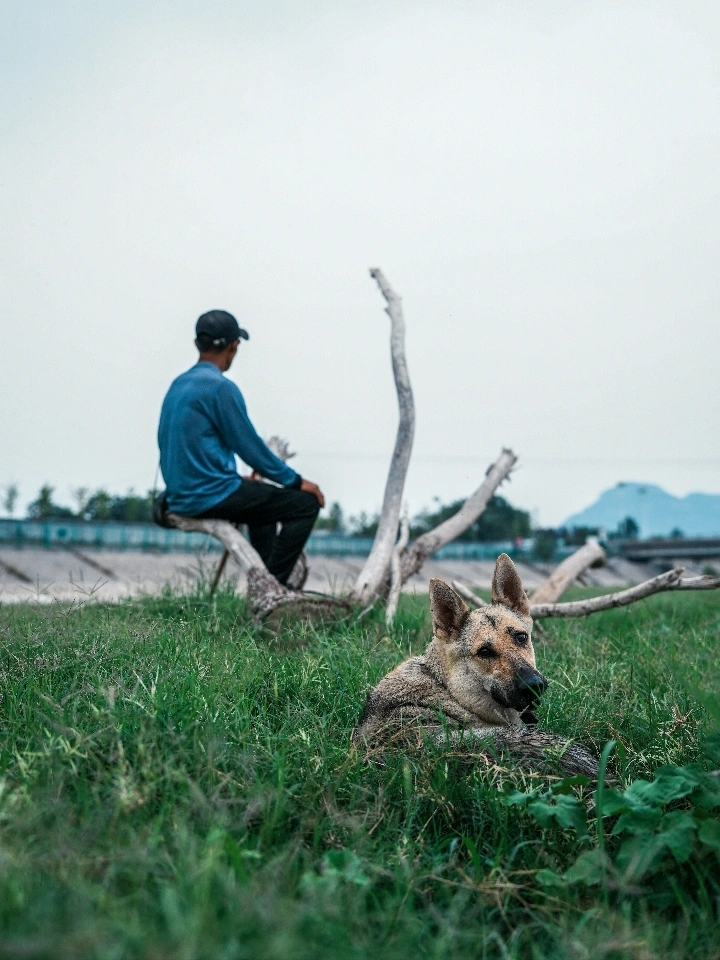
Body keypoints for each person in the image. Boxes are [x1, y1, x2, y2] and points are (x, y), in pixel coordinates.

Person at [158, 309, 325, 586]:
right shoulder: (220, 388)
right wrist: (298, 482)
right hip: (209, 496)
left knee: (262, 508)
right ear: (234, 346)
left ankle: (266, 580)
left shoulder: (178, 384)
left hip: (179, 496)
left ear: (198, 344)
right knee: (305, 505)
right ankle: (274, 588)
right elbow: (250, 448)